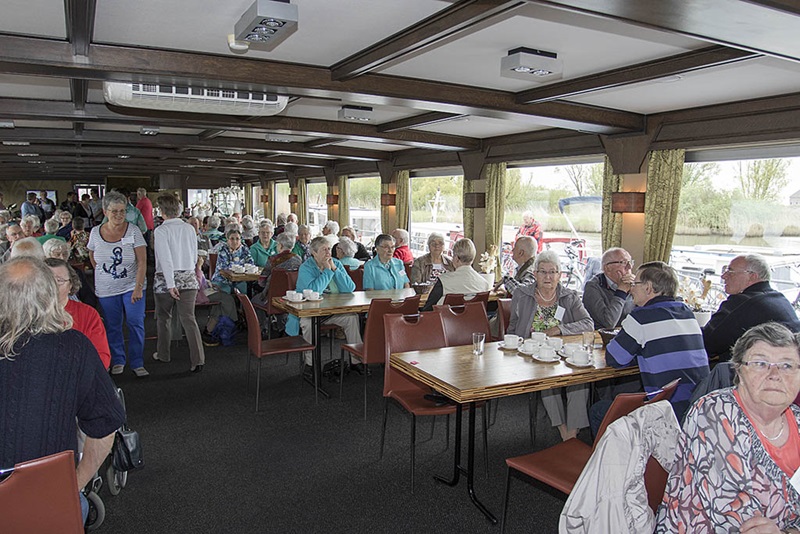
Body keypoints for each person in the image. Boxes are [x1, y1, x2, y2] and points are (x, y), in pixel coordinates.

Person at [0, 257, 125, 524]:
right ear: (49, 296)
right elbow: (105, 429)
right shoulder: (73, 348)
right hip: (47, 502)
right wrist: (75, 484)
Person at [656, 322, 800, 533]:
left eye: (787, 365)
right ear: (739, 370)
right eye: (760, 363)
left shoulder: (797, 420)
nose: (775, 374)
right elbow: (736, 517)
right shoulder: (713, 413)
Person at [599, 261, 710, 430]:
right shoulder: (686, 312)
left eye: (635, 283)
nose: (631, 288)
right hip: (699, 405)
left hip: (667, 410)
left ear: (648, 288)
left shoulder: (642, 316)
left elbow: (614, 358)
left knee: (598, 411)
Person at [507, 249, 594, 441]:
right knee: (546, 379)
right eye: (543, 271)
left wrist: (559, 330)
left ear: (559, 275)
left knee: (580, 379)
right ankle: (564, 429)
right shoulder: (522, 294)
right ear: (535, 274)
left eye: (553, 272)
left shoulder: (569, 297)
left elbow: (588, 323)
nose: (548, 276)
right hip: (531, 354)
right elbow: (513, 325)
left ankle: (573, 429)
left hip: (563, 352)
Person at [88, 190, 148, 377]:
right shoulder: (95, 233)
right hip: (106, 289)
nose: (119, 215)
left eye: (122, 211)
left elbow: (142, 261)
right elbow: (91, 254)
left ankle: (137, 361)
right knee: (113, 326)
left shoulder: (134, 230)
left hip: (132, 286)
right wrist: (101, 271)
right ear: (105, 211)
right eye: (114, 211)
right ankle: (118, 359)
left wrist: (138, 286)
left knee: (136, 323)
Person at [286, 236, 363, 375]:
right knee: (309, 324)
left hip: (331, 311)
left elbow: (349, 288)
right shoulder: (306, 267)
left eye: (329, 249)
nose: (328, 252)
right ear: (314, 253)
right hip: (310, 312)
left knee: (352, 317)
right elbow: (313, 292)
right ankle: (310, 364)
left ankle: (356, 359)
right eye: (324, 250)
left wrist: (334, 269)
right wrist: (327, 272)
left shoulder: (336, 264)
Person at [703, 253, 800, 361]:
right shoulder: (779, 298)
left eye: (730, 271)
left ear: (752, 276)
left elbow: (709, 343)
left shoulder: (742, 301)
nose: (723, 276)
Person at [152, 194, 205, 372]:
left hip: (165, 279)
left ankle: (163, 354)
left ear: (161, 211)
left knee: (163, 318)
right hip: (188, 276)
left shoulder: (160, 231)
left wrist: (170, 284)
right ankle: (198, 360)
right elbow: (193, 254)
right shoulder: (190, 228)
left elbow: (165, 259)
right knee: (189, 319)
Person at [45, 258, 110, 369]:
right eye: (46, 281)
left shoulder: (88, 314)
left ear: (71, 285)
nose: (52, 286)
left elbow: (101, 357)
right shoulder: (29, 314)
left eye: (59, 281)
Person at [251, 232, 302, 332]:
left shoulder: (273, 260)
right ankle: (281, 326)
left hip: (272, 299)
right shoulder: (298, 259)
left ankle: (262, 328)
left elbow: (262, 281)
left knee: (254, 301)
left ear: (281, 245)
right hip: (291, 297)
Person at [423, 237, 492, 310]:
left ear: (456, 258)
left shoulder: (444, 281)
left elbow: (428, 309)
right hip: (473, 320)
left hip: (445, 320)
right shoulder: (484, 284)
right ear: (472, 258)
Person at [582, 247, 636, 329]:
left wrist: (637, 293)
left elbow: (645, 317)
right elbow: (609, 323)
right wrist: (621, 291)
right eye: (623, 262)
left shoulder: (634, 285)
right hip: (602, 338)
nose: (629, 267)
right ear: (607, 268)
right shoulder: (593, 287)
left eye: (630, 262)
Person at [194, 250, 238, 347]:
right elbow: (196, 284)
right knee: (227, 299)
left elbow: (201, 280)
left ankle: (211, 329)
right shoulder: (193, 267)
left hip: (203, 291)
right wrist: (198, 267)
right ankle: (231, 323)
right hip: (197, 294)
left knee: (221, 302)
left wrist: (210, 284)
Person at [44, 238, 97, 308]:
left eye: (65, 254)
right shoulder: (43, 275)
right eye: (57, 254)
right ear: (48, 256)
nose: (62, 258)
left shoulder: (76, 272)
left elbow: (88, 296)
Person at [211, 228, 254, 294]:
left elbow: (250, 263)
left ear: (240, 240)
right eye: (232, 239)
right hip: (222, 279)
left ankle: (242, 304)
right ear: (227, 240)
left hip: (239, 280)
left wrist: (238, 267)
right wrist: (240, 266)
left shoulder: (244, 249)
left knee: (243, 288)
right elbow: (224, 268)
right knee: (226, 290)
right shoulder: (223, 250)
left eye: (237, 239)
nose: (235, 241)